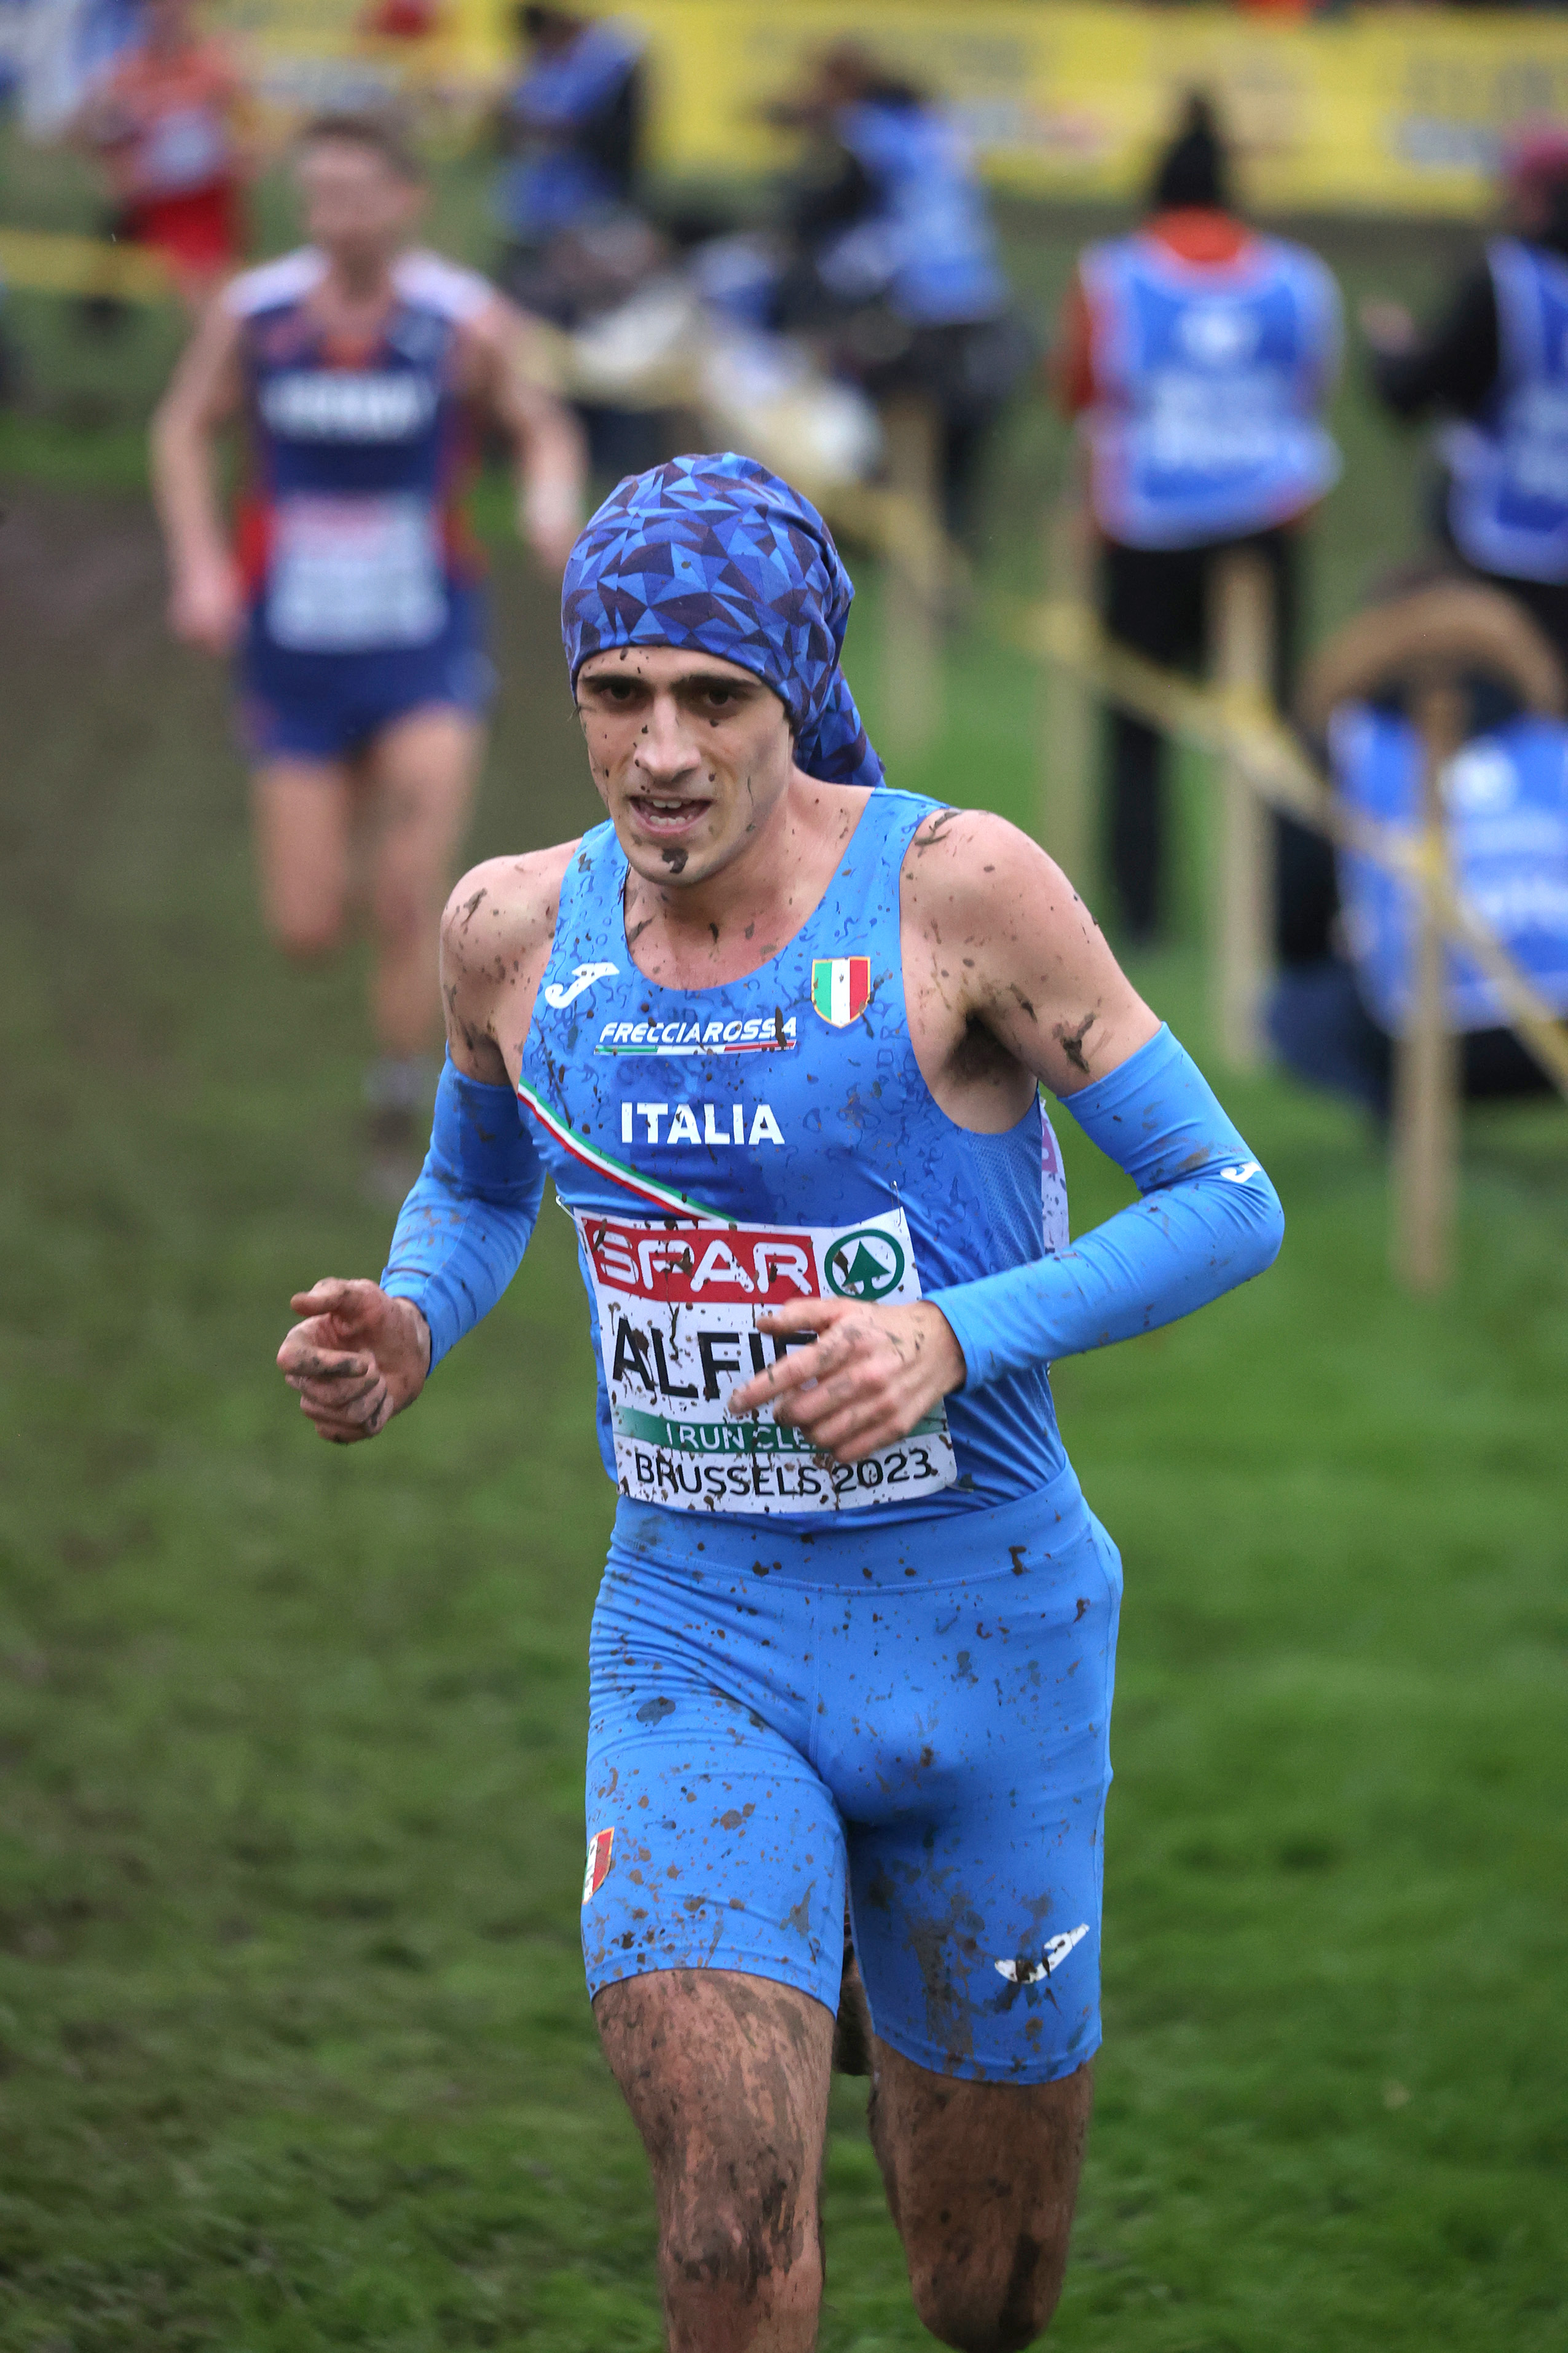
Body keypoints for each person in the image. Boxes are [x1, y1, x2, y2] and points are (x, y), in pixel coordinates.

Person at [275, 451, 1284, 2347]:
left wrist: (949, 1336)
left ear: (793, 692)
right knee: (725, 2211)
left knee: (983, 2294)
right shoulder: (510, 928)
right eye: (616, 694)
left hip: (987, 1635)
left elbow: (1227, 1200)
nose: (659, 751)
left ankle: (892, 1989)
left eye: (712, 697)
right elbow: (480, 1189)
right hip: (695, 1633)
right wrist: (410, 1319)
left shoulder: (955, 891)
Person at [151, 110, 585, 1182]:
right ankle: (343, 857)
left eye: (354, 193)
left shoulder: (459, 320)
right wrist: (201, 567)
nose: (331, 215)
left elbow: (543, 425)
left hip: (422, 643)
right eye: (317, 195)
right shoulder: (257, 315)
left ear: (405, 200)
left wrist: (547, 507)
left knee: (410, 892)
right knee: (306, 924)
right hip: (293, 651)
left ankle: (405, 1101)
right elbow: (182, 428)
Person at [1056, 93, 1342, 946]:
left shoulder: (1113, 274)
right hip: (1262, 522)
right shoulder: (1296, 281)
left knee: (1134, 730)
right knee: (1274, 730)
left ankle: (1140, 915)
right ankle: (1290, 916)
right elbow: (1309, 391)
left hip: (1146, 525)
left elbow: (1079, 389)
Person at [770, 41, 1028, 540]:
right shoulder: (935, 125)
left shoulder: (865, 131)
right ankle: (947, 543)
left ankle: (867, 526)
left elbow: (818, 217)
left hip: (917, 306)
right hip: (979, 300)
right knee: (952, 463)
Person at [1363, 125, 1568, 673]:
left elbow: (1412, 392)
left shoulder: (1507, 284)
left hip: (1492, 549)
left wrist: (1391, 351)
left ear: (1534, 199)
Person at [71, 0, 253, 310]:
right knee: (198, 302)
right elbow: (87, 129)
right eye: (160, 10)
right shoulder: (128, 72)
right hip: (157, 208)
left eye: (176, 9)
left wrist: (235, 154)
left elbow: (251, 136)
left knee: (221, 302)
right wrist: (117, 169)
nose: (168, 16)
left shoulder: (213, 66)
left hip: (210, 201)